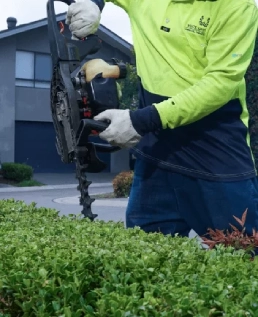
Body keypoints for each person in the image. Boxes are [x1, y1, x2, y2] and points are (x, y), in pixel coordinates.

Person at [66, 0, 258, 241]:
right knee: (143, 260)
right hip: (156, 156)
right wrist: (93, 4)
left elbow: (220, 84)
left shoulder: (236, 6)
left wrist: (141, 121)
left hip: (216, 155)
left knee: (244, 258)